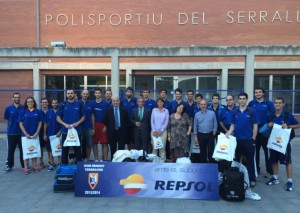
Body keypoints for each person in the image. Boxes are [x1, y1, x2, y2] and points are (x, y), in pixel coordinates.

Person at [266, 97, 299, 191]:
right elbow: (267, 124)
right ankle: (275, 178)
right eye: (276, 103)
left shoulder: (288, 115)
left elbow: (298, 125)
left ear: (283, 104)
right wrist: (269, 124)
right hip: (273, 142)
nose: (278, 104)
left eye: (280, 103)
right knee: (274, 160)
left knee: (287, 161)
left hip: (285, 143)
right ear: (274, 104)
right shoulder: (271, 115)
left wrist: (288, 126)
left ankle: (289, 181)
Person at [226, 92, 259, 188]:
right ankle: (236, 177)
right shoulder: (235, 112)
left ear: (246, 100)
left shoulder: (251, 111)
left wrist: (253, 138)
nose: (242, 100)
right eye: (240, 98)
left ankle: (252, 179)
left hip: (249, 140)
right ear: (238, 100)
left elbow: (255, 126)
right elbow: (232, 125)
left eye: (244, 98)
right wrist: (228, 132)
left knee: (250, 161)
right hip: (237, 140)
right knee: (236, 160)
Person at [248, 87, 275, 177]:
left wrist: (271, 122)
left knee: (268, 152)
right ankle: (257, 169)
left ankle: (269, 169)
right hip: (255, 132)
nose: (258, 93)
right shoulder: (251, 103)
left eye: (260, 92)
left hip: (266, 131)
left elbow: (274, 115)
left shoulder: (269, 103)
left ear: (263, 93)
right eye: (256, 92)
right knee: (256, 152)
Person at [57, 89, 85, 165]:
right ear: (66, 95)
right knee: (65, 150)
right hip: (65, 131)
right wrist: (65, 124)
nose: (70, 95)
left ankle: (78, 166)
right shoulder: (62, 105)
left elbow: (83, 117)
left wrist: (78, 123)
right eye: (68, 93)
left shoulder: (79, 104)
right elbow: (58, 118)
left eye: (71, 93)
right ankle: (65, 166)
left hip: (77, 130)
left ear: (74, 94)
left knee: (78, 150)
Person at [18, 97, 43, 174]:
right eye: (28, 102)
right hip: (25, 136)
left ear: (34, 102)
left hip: (35, 135)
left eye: (31, 101)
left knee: (34, 150)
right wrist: (25, 133)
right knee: (26, 151)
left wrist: (37, 132)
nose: (30, 103)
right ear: (26, 103)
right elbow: (20, 123)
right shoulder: (23, 111)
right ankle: (26, 167)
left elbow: (40, 123)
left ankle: (35, 166)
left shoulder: (38, 111)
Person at [3, 92, 24, 172]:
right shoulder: (8, 108)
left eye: (18, 97)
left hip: (21, 133)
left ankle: (24, 165)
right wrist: (9, 129)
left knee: (22, 150)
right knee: (11, 150)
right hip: (11, 133)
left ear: (20, 98)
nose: (17, 99)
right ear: (13, 98)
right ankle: (9, 165)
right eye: (15, 97)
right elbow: (7, 120)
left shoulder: (23, 108)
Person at [92, 88, 110, 161]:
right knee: (94, 143)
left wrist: (106, 125)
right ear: (94, 94)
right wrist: (92, 127)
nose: (97, 94)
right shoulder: (92, 103)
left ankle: (105, 160)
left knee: (104, 143)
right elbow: (91, 115)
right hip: (94, 124)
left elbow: (109, 116)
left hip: (103, 125)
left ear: (101, 94)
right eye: (96, 93)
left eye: (99, 93)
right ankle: (96, 159)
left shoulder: (106, 103)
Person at [43, 99, 61, 171]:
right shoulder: (48, 112)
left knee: (59, 149)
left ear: (58, 104)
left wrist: (60, 131)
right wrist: (44, 134)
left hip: (59, 134)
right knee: (50, 150)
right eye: (53, 103)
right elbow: (45, 123)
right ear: (51, 104)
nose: (54, 104)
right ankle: (51, 163)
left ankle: (60, 163)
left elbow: (64, 122)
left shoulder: (61, 111)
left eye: (56, 103)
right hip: (50, 134)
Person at [151, 98, 169, 162]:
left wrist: (161, 130)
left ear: (163, 103)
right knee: (154, 147)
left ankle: (162, 160)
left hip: (163, 132)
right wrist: (154, 130)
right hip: (154, 132)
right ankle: (154, 160)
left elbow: (166, 122)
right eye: (158, 102)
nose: (159, 103)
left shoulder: (166, 111)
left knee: (162, 147)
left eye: (161, 102)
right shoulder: (154, 110)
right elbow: (152, 121)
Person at [79, 89, 94, 161]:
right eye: (84, 94)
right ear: (81, 94)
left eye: (86, 94)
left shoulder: (91, 104)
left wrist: (93, 128)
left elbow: (92, 116)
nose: (85, 95)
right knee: (80, 144)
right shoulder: (77, 103)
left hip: (88, 127)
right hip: (79, 127)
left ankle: (87, 158)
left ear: (88, 95)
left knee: (89, 144)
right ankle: (80, 158)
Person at [39, 98, 49, 169]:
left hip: (50, 132)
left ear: (48, 103)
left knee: (49, 148)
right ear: (41, 103)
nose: (44, 103)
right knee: (41, 148)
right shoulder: (38, 112)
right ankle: (41, 162)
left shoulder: (51, 111)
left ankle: (50, 161)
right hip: (40, 132)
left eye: (45, 102)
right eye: (43, 102)